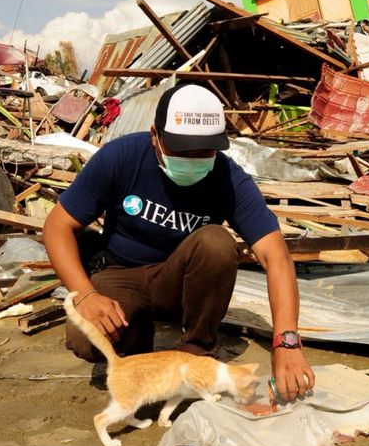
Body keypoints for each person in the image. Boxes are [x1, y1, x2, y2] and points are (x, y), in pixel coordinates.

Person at [43, 84, 314, 401]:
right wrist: (87, 295)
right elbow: (56, 226)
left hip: (178, 284)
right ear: (155, 136)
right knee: (84, 338)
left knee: (216, 241)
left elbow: (276, 256)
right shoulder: (121, 158)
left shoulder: (228, 179)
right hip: (122, 273)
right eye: (181, 151)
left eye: (204, 153)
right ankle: (137, 338)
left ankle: (196, 351)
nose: (192, 160)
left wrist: (287, 342)